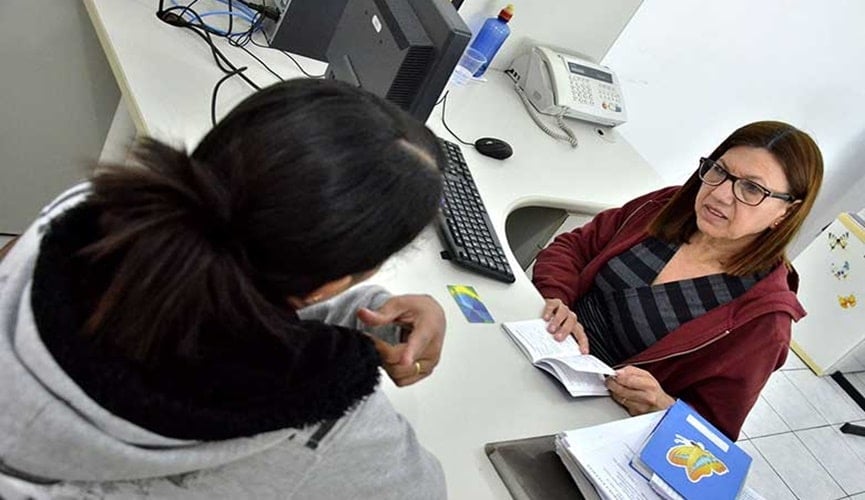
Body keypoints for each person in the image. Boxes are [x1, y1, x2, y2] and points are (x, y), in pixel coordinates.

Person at [0, 79, 449, 499]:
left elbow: (217, 296)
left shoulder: (80, 216)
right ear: (329, 283)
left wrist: (371, 312)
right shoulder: (322, 425)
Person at [532, 121, 823, 439]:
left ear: (786, 212)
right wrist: (556, 296)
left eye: (752, 189)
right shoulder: (668, 207)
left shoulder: (764, 322)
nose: (721, 194)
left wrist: (661, 404)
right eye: (719, 171)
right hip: (542, 342)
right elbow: (573, 247)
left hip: (587, 418)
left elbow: (712, 436)